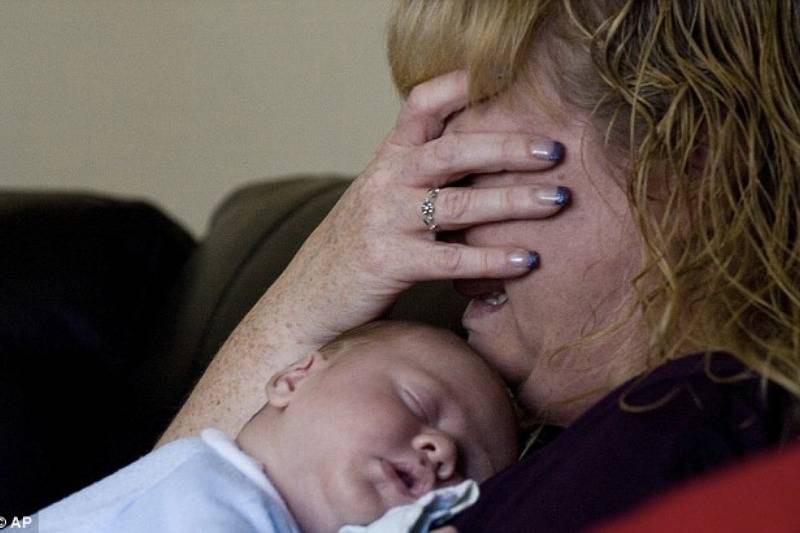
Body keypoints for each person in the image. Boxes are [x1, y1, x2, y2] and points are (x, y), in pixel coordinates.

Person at [159, 0, 800, 530]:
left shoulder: (703, 429)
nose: (430, 221)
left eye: (472, 172)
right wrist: (317, 290)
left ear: (691, 163)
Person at [37, 321, 518, 533]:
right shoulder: (200, 489)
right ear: (294, 379)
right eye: (418, 403)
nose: (441, 450)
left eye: (466, 470)